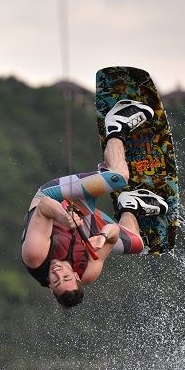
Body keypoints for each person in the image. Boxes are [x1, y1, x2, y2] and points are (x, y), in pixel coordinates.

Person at [20, 100, 169, 308]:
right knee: (138, 244)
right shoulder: (88, 272)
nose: (57, 274)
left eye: (56, 281)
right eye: (65, 277)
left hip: (56, 198)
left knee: (119, 177)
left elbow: (44, 206)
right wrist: (102, 237)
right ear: (75, 276)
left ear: (51, 287)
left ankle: (115, 127)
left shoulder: (35, 256)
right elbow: (114, 232)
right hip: (85, 221)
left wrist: (64, 217)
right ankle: (130, 204)